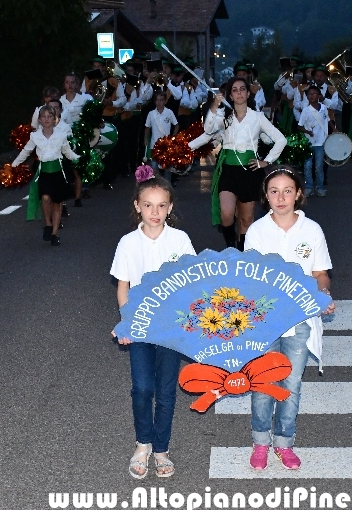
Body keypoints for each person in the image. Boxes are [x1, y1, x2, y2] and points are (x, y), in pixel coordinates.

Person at [244, 167, 334, 470]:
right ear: (265, 196)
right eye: (274, 191)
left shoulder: (312, 231)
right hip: (266, 322)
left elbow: (320, 273)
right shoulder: (257, 231)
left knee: (291, 385)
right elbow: (249, 278)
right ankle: (260, 442)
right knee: (263, 383)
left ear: (298, 194)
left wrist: (324, 294)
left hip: (299, 322)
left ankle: (284, 442)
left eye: (287, 190)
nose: (281, 197)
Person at [110, 177, 196, 479]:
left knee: (166, 390)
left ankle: (161, 449)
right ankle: (142, 443)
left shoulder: (180, 240)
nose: (154, 212)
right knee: (143, 388)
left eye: (161, 206)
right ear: (138, 206)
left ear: (169, 207)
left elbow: (192, 283)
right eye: (148, 205)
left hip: (170, 328)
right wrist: (126, 320)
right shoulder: (128, 243)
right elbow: (123, 286)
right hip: (141, 327)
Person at [204, 78, 287, 250]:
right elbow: (208, 129)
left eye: (243, 89)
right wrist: (214, 106)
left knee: (246, 220)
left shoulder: (257, 117)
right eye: (234, 90)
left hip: (250, 171)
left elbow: (281, 139)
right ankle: (230, 247)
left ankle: (241, 253)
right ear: (230, 95)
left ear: (248, 94)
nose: (239, 92)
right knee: (226, 214)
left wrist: (266, 161)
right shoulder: (225, 116)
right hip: (227, 170)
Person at [11, 106, 80, 246]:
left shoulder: (61, 135)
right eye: (44, 116)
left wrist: (80, 158)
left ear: (55, 119)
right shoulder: (35, 136)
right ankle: (48, 224)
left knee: (56, 204)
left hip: (58, 172)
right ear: (40, 120)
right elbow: (26, 151)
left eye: (50, 116)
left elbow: (67, 152)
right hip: (44, 173)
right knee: (45, 197)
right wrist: (14, 165)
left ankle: (54, 234)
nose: (47, 119)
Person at [298, 85, 330, 197]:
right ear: (307, 96)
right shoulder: (306, 110)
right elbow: (299, 126)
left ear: (319, 96)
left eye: (314, 94)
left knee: (319, 166)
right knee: (307, 166)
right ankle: (309, 186)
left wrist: (334, 130)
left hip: (320, 142)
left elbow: (328, 120)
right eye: (310, 94)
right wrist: (307, 132)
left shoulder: (324, 108)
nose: (312, 96)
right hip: (309, 142)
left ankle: (320, 187)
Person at [144, 91, 179, 185]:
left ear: (165, 101)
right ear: (154, 101)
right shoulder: (151, 114)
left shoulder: (169, 112)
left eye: (161, 100)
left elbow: (176, 125)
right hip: (154, 144)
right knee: (155, 167)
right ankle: (157, 186)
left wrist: (173, 137)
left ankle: (167, 185)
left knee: (167, 168)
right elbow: (147, 128)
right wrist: (145, 139)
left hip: (166, 144)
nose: (159, 102)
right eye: (157, 100)